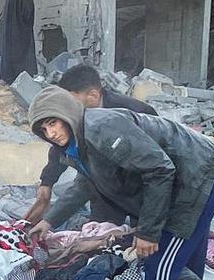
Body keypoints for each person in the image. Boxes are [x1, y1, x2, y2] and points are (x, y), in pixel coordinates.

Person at [26, 86, 214, 280]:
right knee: (186, 257)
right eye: (44, 130)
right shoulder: (76, 144)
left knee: (158, 265)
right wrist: (48, 221)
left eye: (52, 123)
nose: (52, 134)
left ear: (66, 114)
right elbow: (84, 184)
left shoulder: (102, 129)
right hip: (178, 178)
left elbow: (159, 170)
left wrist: (148, 233)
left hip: (197, 175)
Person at [23, 64, 157, 225]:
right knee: (99, 230)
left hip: (140, 185)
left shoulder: (129, 112)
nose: (64, 106)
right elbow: (62, 149)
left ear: (93, 96)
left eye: (69, 100)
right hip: (104, 187)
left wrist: (147, 231)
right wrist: (47, 183)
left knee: (142, 236)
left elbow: (156, 169)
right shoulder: (75, 120)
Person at [0, 0, 37, 84]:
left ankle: (22, 78)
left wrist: (23, 23)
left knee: (20, 53)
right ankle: (9, 77)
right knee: (9, 52)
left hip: (20, 28)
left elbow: (28, 7)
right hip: (10, 28)